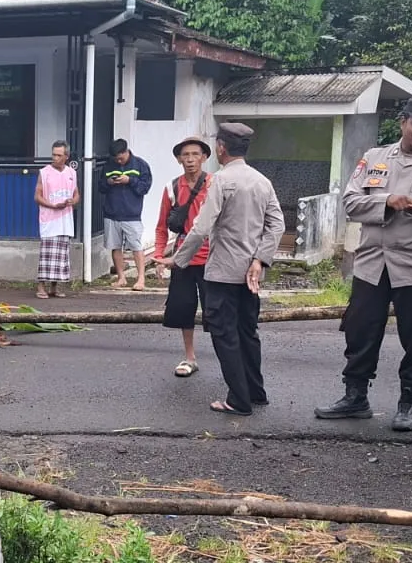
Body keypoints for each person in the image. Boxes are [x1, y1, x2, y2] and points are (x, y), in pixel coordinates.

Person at [316, 98, 412, 431]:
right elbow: (351, 202)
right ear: (403, 122)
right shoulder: (375, 157)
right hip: (372, 262)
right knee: (360, 330)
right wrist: (386, 202)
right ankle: (355, 397)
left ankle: (411, 402)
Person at [173, 122, 284, 415]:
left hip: (222, 271)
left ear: (221, 147)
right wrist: (260, 259)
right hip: (251, 275)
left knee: (225, 334)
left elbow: (200, 228)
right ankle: (255, 391)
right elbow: (277, 225)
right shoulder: (262, 181)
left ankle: (238, 399)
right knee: (248, 332)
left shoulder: (220, 181)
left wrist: (179, 260)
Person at [154, 136, 213, 377]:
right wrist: (158, 256)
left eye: (195, 154)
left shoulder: (215, 185)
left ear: (204, 157)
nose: (190, 160)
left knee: (215, 310)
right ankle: (190, 357)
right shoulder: (172, 188)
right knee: (183, 308)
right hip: (182, 258)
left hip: (212, 257)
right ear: (179, 159)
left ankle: (226, 357)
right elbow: (161, 227)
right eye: (185, 155)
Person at [99, 138, 153, 290]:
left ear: (126, 151)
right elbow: (100, 187)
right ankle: (121, 277)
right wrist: (108, 182)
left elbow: (145, 188)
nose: (119, 161)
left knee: (136, 246)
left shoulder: (140, 165)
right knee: (115, 247)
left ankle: (141, 278)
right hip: (111, 213)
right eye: (116, 159)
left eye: (121, 158)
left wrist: (130, 180)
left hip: (132, 214)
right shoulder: (109, 166)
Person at [34, 140, 78, 299]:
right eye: (53, 154)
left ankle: (55, 286)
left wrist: (73, 201)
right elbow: (37, 196)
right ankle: (41, 286)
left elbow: (76, 194)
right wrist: (53, 205)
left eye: (59, 155)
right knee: (47, 254)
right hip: (49, 219)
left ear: (66, 156)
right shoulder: (44, 172)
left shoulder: (72, 173)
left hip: (65, 220)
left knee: (61, 255)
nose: (55, 158)